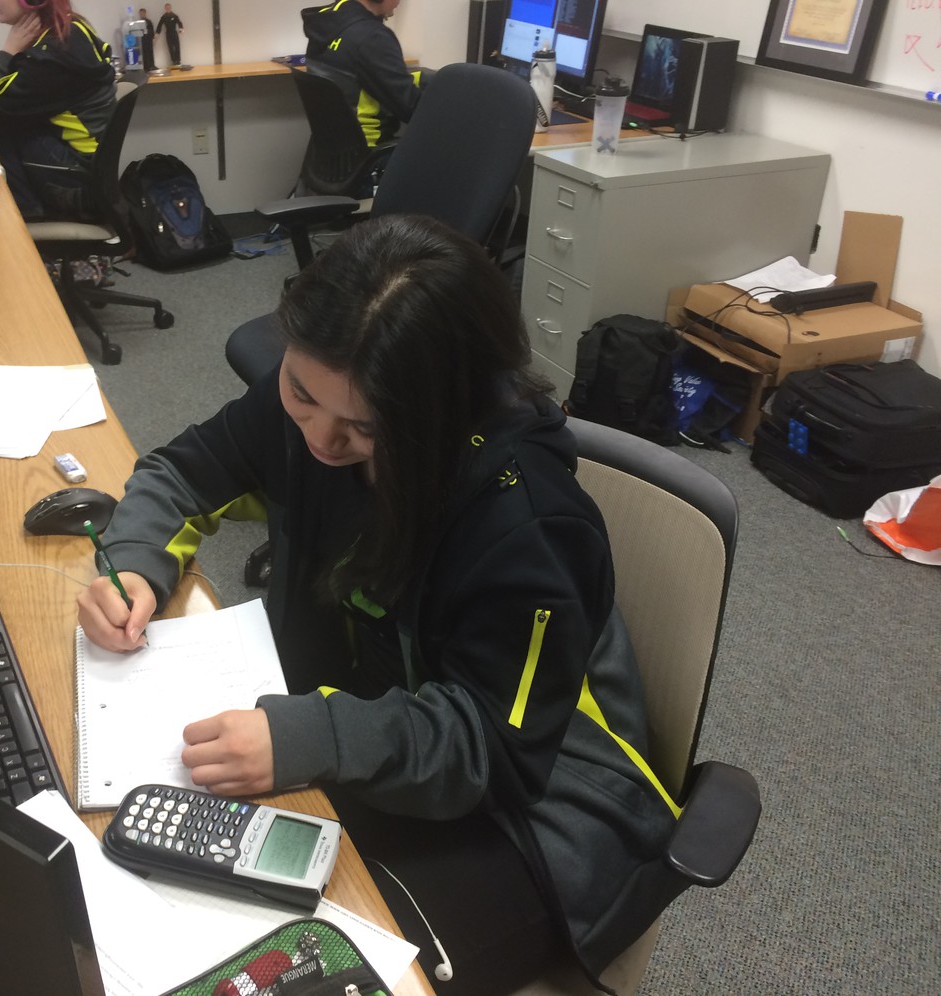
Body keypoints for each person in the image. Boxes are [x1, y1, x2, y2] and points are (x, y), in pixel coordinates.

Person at [76, 215, 690, 993]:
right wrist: (135, 567)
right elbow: (182, 474)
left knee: (302, 970)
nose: (319, 441)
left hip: (530, 819)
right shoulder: (312, 396)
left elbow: (490, 752)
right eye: (301, 394)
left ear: (440, 412)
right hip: (370, 735)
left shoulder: (529, 528)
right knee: (166, 904)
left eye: (363, 428)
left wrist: (311, 733)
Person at [0, 0, 116, 221]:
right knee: (9, 116)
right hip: (93, 170)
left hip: (78, 181)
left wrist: (6, 52)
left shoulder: (50, 57)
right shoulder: (71, 29)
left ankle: (27, 215)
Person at [303, 0, 425, 148]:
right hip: (370, 155)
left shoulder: (326, 20)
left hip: (330, 158)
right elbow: (412, 110)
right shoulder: (373, 37)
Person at [156, 3, 184, 68]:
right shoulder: (164, 17)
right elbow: (159, 25)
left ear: (170, 8)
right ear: (165, 9)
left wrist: (181, 29)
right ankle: (173, 61)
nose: (167, 9)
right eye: (166, 8)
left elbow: (179, 22)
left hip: (174, 32)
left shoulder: (174, 15)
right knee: (170, 47)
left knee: (177, 46)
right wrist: (157, 34)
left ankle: (178, 60)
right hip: (168, 33)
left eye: (168, 7)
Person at [138, 7, 157, 73]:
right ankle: (146, 67)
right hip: (143, 40)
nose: (142, 14)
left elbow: (151, 29)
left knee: (150, 52)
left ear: (145, 13)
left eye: (143, 13)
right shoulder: (139, 22)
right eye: (141, 13)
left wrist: (153, 36)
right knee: (144, 53)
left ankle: (152, 65)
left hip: (149, 39)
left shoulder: (149, 21)